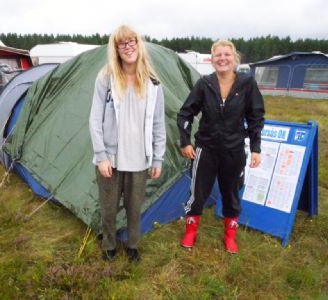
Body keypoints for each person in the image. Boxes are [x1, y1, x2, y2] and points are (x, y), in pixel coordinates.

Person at [177, 39, 265, 254]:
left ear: (235, 58)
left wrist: (255, 147)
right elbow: (185, 113)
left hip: (234, 150)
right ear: (212, 59)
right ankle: (190, 232)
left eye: (227, 55)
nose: (223, 59)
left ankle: (230, 236)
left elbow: (256, 116)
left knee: (231, 193)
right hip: (205, 148)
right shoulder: (204, 84)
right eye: (218, 55)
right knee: (197, 192)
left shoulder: (247, 84)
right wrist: (185, 142)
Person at [89, 25, 166, 262]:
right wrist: (101, 155)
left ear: (139, 44)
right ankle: (109, 245)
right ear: (116, 49)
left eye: (132, 41)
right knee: (109, 207)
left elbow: (159, 124)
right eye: (122, 43)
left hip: (140, 159)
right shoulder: (106, 78)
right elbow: (95, 119)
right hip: (110, 159)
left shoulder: (153, 84)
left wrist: (157, 157)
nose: (128, 47)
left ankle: (133, 246)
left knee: (134, 209)